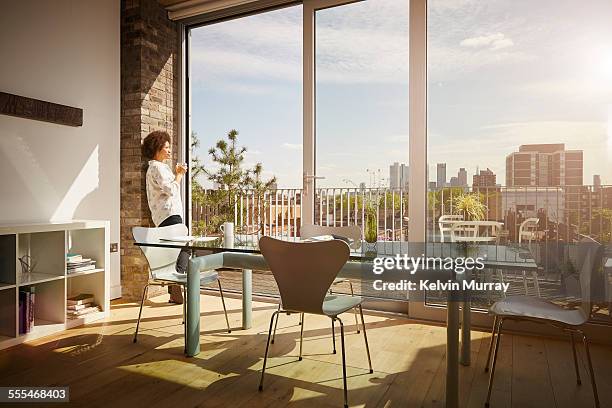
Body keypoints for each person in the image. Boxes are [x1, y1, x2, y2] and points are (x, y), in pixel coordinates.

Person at [142, 130, 188, 304]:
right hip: (169, 215)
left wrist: (175, 173)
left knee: (174, 252)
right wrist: (179, 175)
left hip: (167, 215)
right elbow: (171, 190)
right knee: (184, 247)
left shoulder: (158, 167)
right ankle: (177, 281)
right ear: (157, 148)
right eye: (166, 147)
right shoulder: (156, 168)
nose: (169, 150)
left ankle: (174, 290)